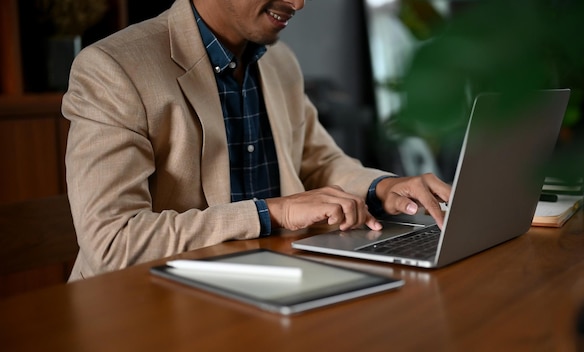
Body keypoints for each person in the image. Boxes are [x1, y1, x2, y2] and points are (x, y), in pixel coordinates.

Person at [62, 0, 451, 281]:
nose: (298, 4)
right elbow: (112, 242)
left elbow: (319, 162)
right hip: (144, 305)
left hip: (270, 285)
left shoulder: (280, 63)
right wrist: (273, 213)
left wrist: (384, 186)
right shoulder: (113, 68)